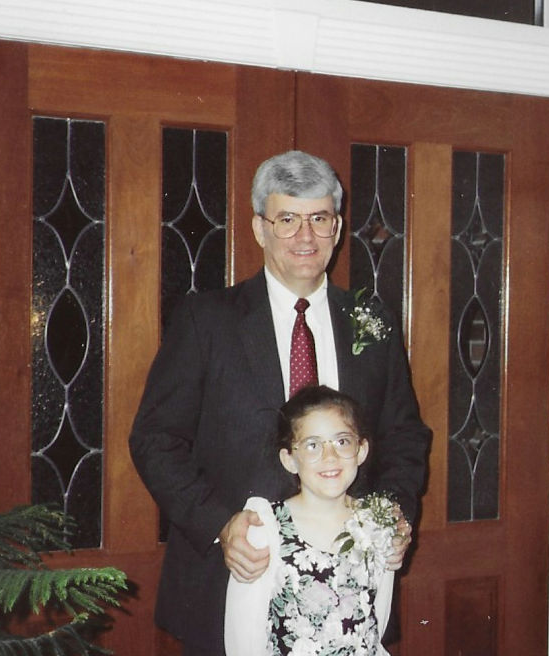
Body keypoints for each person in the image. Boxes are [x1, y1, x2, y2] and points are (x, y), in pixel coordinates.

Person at [129, 150, 431, 655]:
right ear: (259, 228)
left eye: (319, 219)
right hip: (233, 579)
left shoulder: (370, 320)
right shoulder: (207, 320)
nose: (305, 237)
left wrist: (392, 518)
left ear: (337, 227)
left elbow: (404, 435)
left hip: (347, 592)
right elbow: (156, 440)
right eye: (287, 219)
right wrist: (218, 524)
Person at [224, 385, 396, 656]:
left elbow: (378, 612)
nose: (330, 457)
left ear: (361, 450)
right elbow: (243, 633)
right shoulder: (267, 528)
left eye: (342, 441)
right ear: (289, 459)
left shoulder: (376, 522)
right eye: (312, 445)